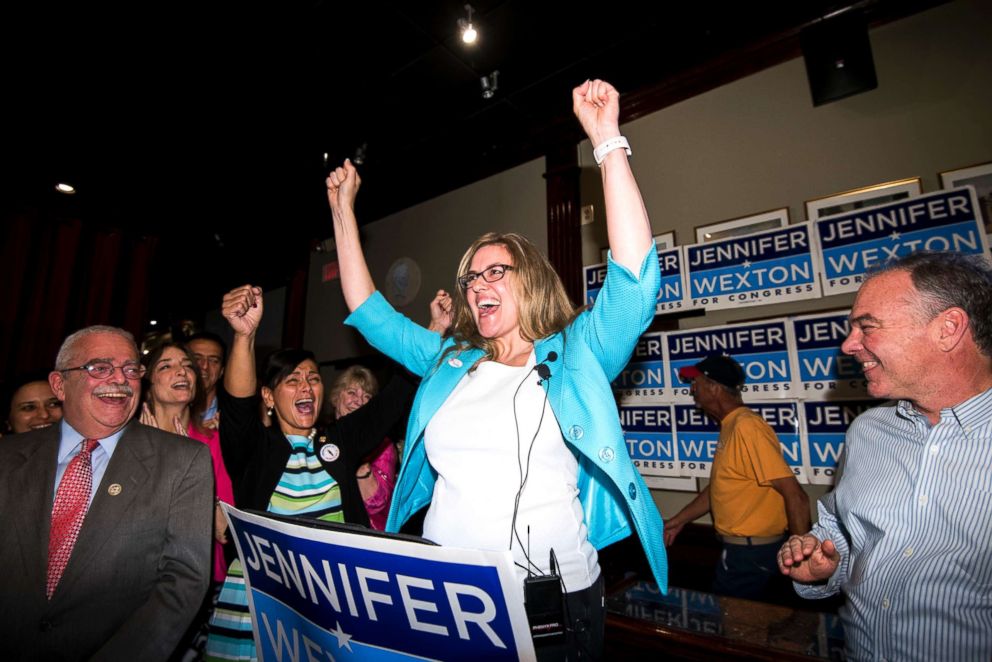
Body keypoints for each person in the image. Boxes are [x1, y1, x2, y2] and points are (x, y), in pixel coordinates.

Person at [327, 78, 668, 659]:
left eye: (494, 272)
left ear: (529, 279)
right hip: (443, 596)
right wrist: (342, 210)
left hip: (549, 605)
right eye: (470, 278)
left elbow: (634, 283)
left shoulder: (575, 352)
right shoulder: (447, 361)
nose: (477, 284)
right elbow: (368, 311)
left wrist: (607, 140)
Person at [778, 252, 992, 660]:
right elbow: (840, 534)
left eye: (867, 327)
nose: (849, 344)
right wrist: (822, 564)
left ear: (948, 329)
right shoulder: (867, 432)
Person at [204, 286, 415, 661]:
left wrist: (430, 335)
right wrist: (243, 335)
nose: (306, 386)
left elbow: (393, 399)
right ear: (268, 397)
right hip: (262, 601)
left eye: (314, 378)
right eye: (292, 380)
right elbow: (237, 404)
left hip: (333, 602)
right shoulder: (256, 449)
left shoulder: (340, 440)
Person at [0, 325, 213, 661]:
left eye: (131, 369)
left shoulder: (182, 460)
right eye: (99, 368)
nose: (120, 380)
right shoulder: (8, 458)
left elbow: (182, 581)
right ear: (59, 384)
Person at [663, 354, 810, 601]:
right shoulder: (731, 425)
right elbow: (719, 490)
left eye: (695, 382)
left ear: (714, 387)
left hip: (753, 555)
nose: (692, 389)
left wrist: (800, 556)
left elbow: (796, 496)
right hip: (741, 552)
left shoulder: (747, 426)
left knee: (738, 631)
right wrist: (679, 520)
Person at [140, 342, 235, 583]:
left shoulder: (213, 441)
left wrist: (185, 462)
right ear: (148, 383)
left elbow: (225, 530)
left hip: (197, 579)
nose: (181, 371)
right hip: (135, 577)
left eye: (186, 366)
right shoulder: (128, 443)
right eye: (166, 366)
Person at [328, 365, 398, 530]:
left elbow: (377, 504)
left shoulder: (383, 446)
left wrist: (360, 464)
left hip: (366, 538)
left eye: (366, 396)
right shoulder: (322, 438)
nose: (359, 401)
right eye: (351, 392)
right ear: (336, 397)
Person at [187, 331, 227, 428]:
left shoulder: (232, 417)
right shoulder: (165, 409)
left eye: (213, 361)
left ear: (222, 370)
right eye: (196, 359)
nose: (204, 366)